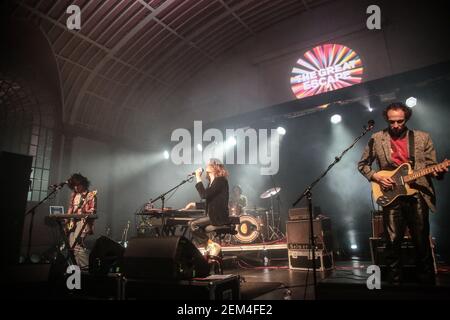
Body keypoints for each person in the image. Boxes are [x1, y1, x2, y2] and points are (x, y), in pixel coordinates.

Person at [358, 102, 447, 284]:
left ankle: (427, 284)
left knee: (421, 242)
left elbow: (432, 167)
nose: (396, 125)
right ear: (387, 119)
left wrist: (439, 171)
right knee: (392, 243)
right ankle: (395, 285)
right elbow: (362, 165)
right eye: (392, 122)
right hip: (391, 195)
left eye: (400, 121)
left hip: (417, 194)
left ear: (406, 119)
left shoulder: (422, 138)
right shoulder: (377, 138)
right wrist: (377, 177)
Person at [189, 159, 230, 248]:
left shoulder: (221, 181)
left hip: (219, 216)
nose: (206, 165)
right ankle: (208, 248)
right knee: (195, 226)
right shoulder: (211, 183)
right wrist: (194, 204)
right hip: (212, 216)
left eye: (209, 164)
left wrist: (198, 178)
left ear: (215, 167)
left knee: (192, 224)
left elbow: (204, 195)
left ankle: (210, 245)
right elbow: (211, 203)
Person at [65, 173, 97, 268]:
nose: (75, 188)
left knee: (77, 245)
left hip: (83, 223)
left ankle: (86, 267)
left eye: (77, 185)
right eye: (73, 186)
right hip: (72, 223)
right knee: (71, 247)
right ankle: (77, 267)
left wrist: (83, 210)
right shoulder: (74, 194)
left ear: (83, 184)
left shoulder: (90, 195)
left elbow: (93, 211)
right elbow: (70, 208)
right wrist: (67, 219)